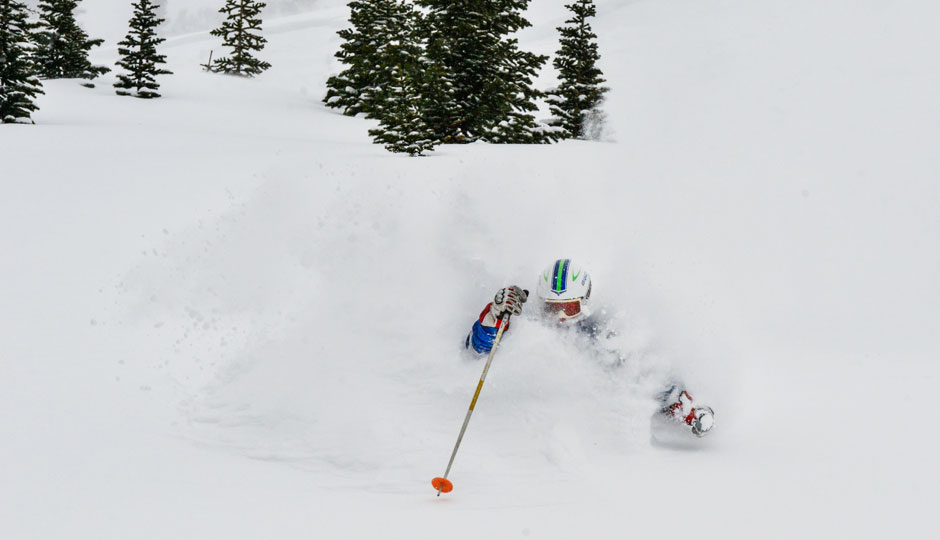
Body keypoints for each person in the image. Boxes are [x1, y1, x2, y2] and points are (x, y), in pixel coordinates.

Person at [465, 258, 716, 437]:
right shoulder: (525, 321)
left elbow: (647, 375)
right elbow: (477, 350)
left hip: (585, 431)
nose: (561, 316)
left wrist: (688, 411)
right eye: (553, 307)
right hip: (517, 427)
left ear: (585, 301)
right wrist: (496, 315)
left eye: (570, 308)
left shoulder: (601, 333)